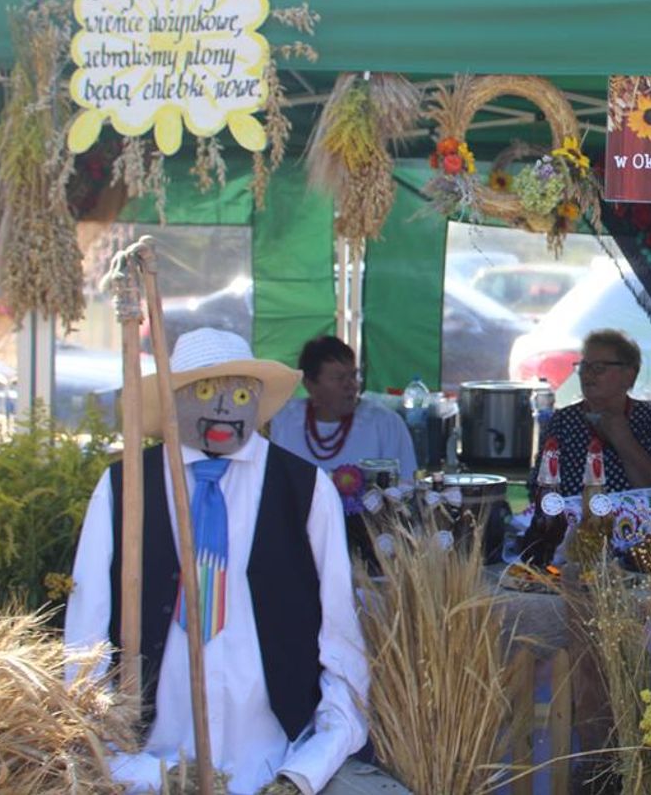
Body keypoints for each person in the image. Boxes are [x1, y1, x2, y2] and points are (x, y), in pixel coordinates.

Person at [66, 328, 369, 794]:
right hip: (152, 764)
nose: (225, 408)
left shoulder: (306, 489)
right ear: (174, 400)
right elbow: (85, 641)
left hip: (271, 758)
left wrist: (307, 768)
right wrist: (130, 768)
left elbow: (342, 643)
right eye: (206, 392)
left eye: (241, 394)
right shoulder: (125, 488)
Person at [528, 328, 651, 497]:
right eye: (584, 366)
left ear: (629, 375)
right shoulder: (563, 421)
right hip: (572, 514)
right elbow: (538, 488)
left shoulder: (649, 420)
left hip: (636, 514)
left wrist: (624, 440)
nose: (587, 374)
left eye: (599, 368)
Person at [269, 336, 419, 499]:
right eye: (339, 378)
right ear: (310, 384)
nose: (351, 385)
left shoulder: (385, 423)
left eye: (353, 376)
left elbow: (407, 489)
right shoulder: (282, 421)